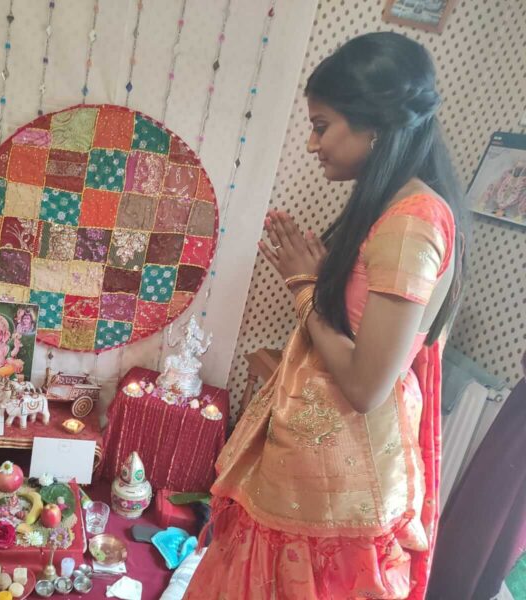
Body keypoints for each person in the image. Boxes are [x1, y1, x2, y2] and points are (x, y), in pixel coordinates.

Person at [183, 32, 467, 600]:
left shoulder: (412, 222)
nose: (313, 145)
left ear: (375, 125)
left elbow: (365, 384)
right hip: (320, 457)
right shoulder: (392, 208)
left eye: (321, 125)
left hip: (344, 470)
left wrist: (303, 288)